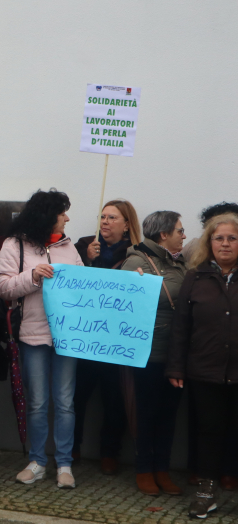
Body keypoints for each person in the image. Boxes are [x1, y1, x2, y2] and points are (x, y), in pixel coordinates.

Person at [0, 189, 83, 489]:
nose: (67, 218)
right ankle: (37, 462)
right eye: (62, 213)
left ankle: (64, 463)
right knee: (37, 403)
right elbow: (3, 288)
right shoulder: (13, 245)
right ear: (47, 217)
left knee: (66, 403)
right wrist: (33, 276)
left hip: (67, 337)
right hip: (32, 336)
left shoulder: (69, 248)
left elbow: (83, 288)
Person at [167, 213, 238, 518]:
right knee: (209, 433)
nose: (225, 243)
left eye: (232, 238)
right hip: (205, 370)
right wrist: (175, 368)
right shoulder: (195, 277)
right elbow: (181, 326)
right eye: (219, 238)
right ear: (210, 242)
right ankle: (206, 493)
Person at [119, 211, 187, 496]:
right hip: (148, 353)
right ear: (164, 235)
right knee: (147, 414)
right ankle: (145, 469)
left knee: (169, 415)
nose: (184, 235)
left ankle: (162, 469)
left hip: (176, 354)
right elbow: (121, 303)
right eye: (179, 231)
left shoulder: (178, 262)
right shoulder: (136, 262)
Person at [72, 199, 140, 475]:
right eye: (103, 216)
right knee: (76, 397)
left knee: (114, 399)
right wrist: (86, 259)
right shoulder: (83, 245)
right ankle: (71, 447)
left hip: (116, 339)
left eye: (112, 218)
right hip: (85, 336)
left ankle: (109, 453)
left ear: (126, 225)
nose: (105, 222)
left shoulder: (135, 253)